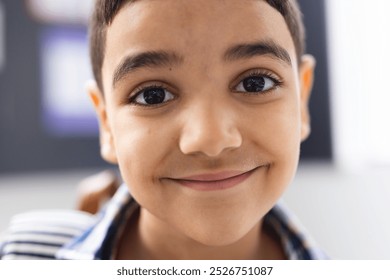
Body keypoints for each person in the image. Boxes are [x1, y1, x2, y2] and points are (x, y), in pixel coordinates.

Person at [0, 0, 327, 260]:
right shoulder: (25, 257)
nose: (210, 139)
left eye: (256, 83)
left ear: (301, 100)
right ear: (106, 123)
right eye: (152, 95)